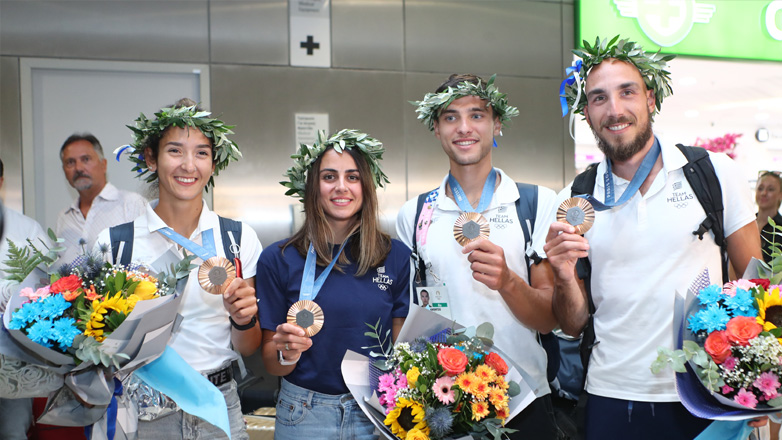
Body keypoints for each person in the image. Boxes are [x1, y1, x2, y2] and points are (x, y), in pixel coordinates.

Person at [545, 36, 763, 439]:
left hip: (708, 391)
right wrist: (561, 273)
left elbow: (757, 285)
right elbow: (573, 325)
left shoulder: (713, 173)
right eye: (598, 98)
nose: (614, 110)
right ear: (586, 114)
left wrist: (760, 380)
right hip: (610, 393)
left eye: (626, 92)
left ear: (650, 98)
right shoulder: (574, 199)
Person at [397, 74, 559, 439]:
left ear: (497, 123)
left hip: (525, 400)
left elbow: (549, 319)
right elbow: (411, 315)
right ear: (436, 129)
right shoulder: (416, 213)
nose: (464, 128)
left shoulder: (534, 203)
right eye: (450, 117)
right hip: (444, 402)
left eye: (477, 115)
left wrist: (507, 281)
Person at [95, 99, 261, 439]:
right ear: (151, 158)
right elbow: (97, 342)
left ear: (214, 163)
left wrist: (243, 318)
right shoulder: (115, 244)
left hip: (218, 406)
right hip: (142, 412)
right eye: (175, 150)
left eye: (201, 152)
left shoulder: (237, 239)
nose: (189, 165)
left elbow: (247, 347)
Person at [256, 129, 410, 439]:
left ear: (366, 186)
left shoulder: (395, 256)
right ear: (312, 188)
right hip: (304, 413)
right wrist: (288, 352)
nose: (341, 187)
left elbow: (403, 353)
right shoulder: (278, 259)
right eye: (329, 177)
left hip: (376, 413)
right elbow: (273, 365)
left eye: (353, 177)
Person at [0, 157, 50, 440]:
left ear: (1, 182)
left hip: (13, 360)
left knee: (12, 431)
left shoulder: (27, 231)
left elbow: (48, 289)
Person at [57, 133, 147, 262]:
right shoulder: (64, 218)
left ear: (103, 165)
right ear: (64, 170)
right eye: (70, 162)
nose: (78, 168)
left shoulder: (132, 204)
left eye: (86, 159)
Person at [756, 171, 782, 263]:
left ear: (780, 194)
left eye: (770, 189)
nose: (764, 193)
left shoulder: (780, 227)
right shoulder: (745, 222)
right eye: (760, 188)